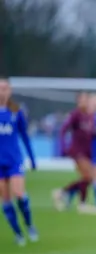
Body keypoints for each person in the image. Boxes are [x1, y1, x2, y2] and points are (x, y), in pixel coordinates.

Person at [0, 77, 38, 245]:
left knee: (19, 194)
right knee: (6, 199)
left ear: (10, 90)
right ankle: (18, 233)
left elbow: (24, 136)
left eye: (5, 87)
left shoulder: (16, 111)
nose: (2, 91)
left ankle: (29, 225)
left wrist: (32, 158)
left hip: (14, 160)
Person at [52, 91, 96, 214]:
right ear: (78, 101)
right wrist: (63, 146)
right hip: (77, 151)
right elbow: (63, 129)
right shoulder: (75, 115)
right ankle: (81, 204)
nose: (84, 102)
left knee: (88, 178)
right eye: (81, 100)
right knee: (88, 176)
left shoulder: (90, 116)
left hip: (86, 152)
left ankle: (62, 193)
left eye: (86, 99)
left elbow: (90, 134)